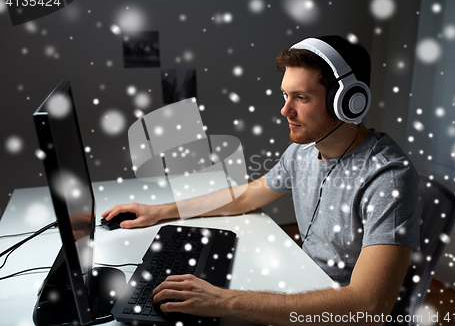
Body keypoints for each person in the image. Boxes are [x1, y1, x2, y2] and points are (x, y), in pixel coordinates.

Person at [102, 35, 422, 325]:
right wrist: (160, 211)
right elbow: (246, 196)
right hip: (305, 284)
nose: (285, 110)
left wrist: (225, 300)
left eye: (302, 97)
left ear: (350, 102)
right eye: (285, 94)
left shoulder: (388, 178)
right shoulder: (305, 152)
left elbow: (368, 306)